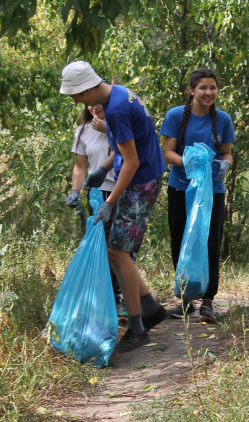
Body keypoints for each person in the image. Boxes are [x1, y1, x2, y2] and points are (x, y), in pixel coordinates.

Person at [59, 61, 168, 353]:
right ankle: (149, 309)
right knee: (116, 251)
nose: (75, 101)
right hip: (138, 176)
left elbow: (132, 161)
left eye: (76, 95)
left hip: (141, 182)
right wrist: (103, 169)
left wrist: (108, 203)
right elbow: (126, 148)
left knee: (117, 252)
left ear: (87, 88)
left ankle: (137, 328)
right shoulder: (120, 94)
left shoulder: (116, 109)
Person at [159, 68, 235, 323]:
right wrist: (188, 163)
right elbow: (168, 152)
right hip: (181, 187)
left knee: (210, 242)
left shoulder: (223, 119)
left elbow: (227, 152)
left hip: (212, 190)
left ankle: (208, 302)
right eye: (203, 87)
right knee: (181, 240)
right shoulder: (175, 115)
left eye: (213, 87)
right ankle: (185, 300)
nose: (208, 92)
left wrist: (225, 164)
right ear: (192, 90)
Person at [65, 102, 123, 307]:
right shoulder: (83, 131)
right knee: (102, 243)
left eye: (99, 103)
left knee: (120, 245)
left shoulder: (121, 124)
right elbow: (80, 166)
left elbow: (128, 150)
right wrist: (75, 191)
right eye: (90, 104)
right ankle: (107, 293)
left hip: (123, 190)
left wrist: (108, 129)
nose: (94, 107)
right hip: (98, 193)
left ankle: (120, 293)